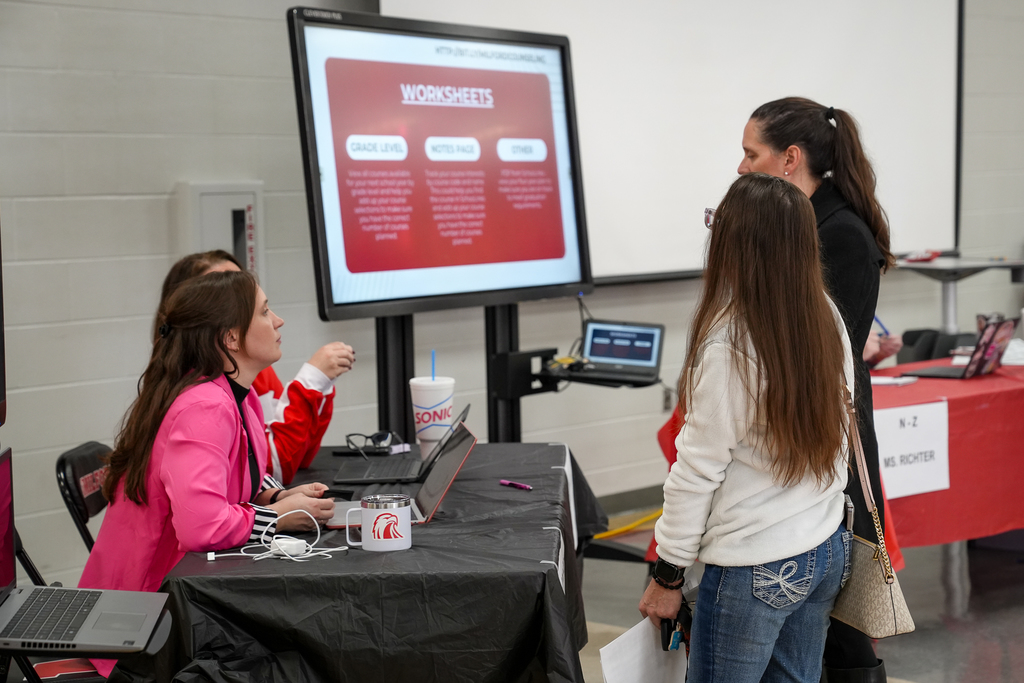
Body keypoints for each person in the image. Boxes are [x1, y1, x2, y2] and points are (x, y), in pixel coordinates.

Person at [639, 173, 854, 683]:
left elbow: (695, 472)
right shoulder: (825, 314)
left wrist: (667, 574)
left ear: (734, 244)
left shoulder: (730, 341)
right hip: (824, 549)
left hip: (755, 566)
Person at [80, 271, 335, 676]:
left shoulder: (234, 391)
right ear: (231, 338)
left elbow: (240, 471)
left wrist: (273, 498)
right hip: (138, 627)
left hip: (159, 605)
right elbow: (202, 526)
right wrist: (280, 518)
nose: (279, 321)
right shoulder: (205, 406)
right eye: (266, 312)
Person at [738, 97, 894, 682]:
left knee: (846, 622)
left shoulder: (841, 234)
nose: (740, 166)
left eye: (751, 153)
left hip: (829, 438)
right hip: (803, 428)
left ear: (789, 159)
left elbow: (826, 354)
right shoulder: (803, 225)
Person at [157, 251, 355, 484]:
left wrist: (277, 500)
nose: (235, 290)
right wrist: (310, 381)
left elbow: (278, 464)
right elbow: (271, 469)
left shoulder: (245, 384)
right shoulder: (205, 405)